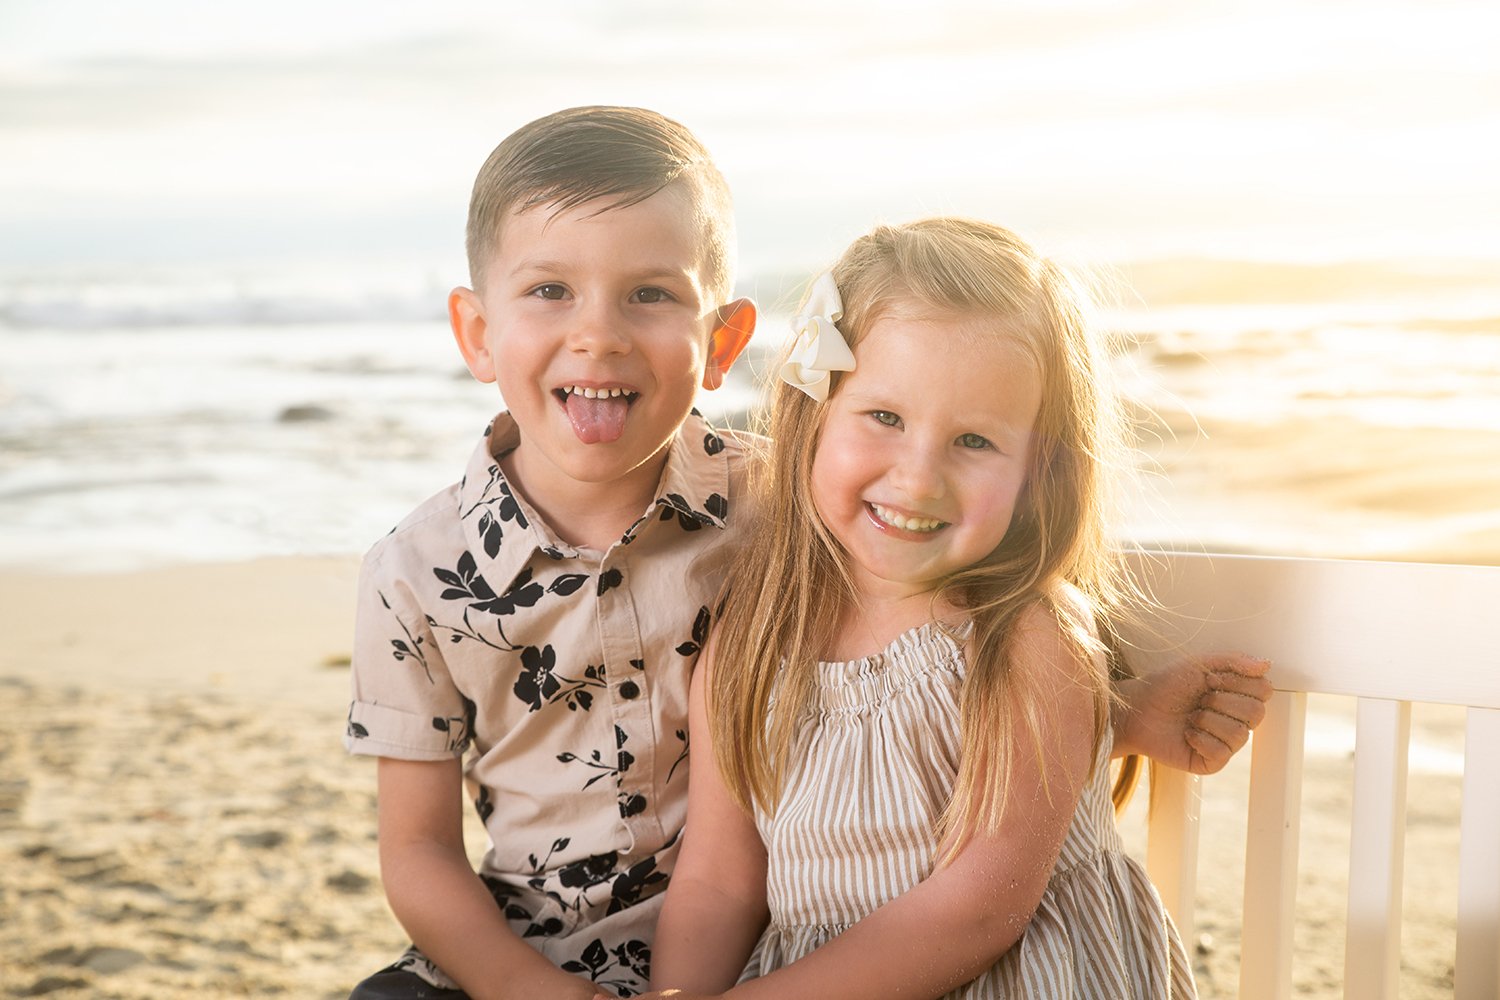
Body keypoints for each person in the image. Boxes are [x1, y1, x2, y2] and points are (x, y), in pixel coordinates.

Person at [345, 107, 1269, 1000]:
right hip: (532, 952)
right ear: (477, 333)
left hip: (780, 963)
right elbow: (422, 850)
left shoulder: (790, 506)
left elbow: (945, 687)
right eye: (551, 290)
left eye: (651, 293)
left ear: (723, 342)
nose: (599, 334)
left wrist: (1111, 715)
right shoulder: (416, 576)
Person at [642, 218, 1224, 999]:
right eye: (885, 418)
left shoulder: (1026, 639)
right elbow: (719, 884)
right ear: (816, 415)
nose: (918, 479)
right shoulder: (751, 643)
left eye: (975, 442)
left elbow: (977, 913)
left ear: (1038, 470)